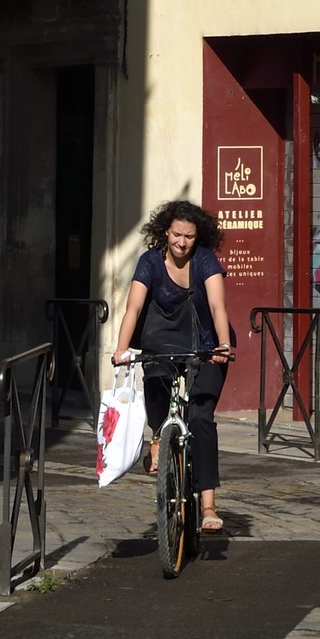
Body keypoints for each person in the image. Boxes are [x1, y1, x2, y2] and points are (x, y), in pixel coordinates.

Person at [113, 199, 232, 533]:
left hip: (207, 345)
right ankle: (159, 438)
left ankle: (208, 504)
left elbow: (217, 303)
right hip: (163, 343)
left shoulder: (206, 260)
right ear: (165, 232)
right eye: (177, 234)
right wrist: (121, 349)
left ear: (198, 237)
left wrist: (223, 344)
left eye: (189, 236)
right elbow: (133, 308)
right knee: (155, 378)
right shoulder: (150, 262)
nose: (182, 242)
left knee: (200, 417)